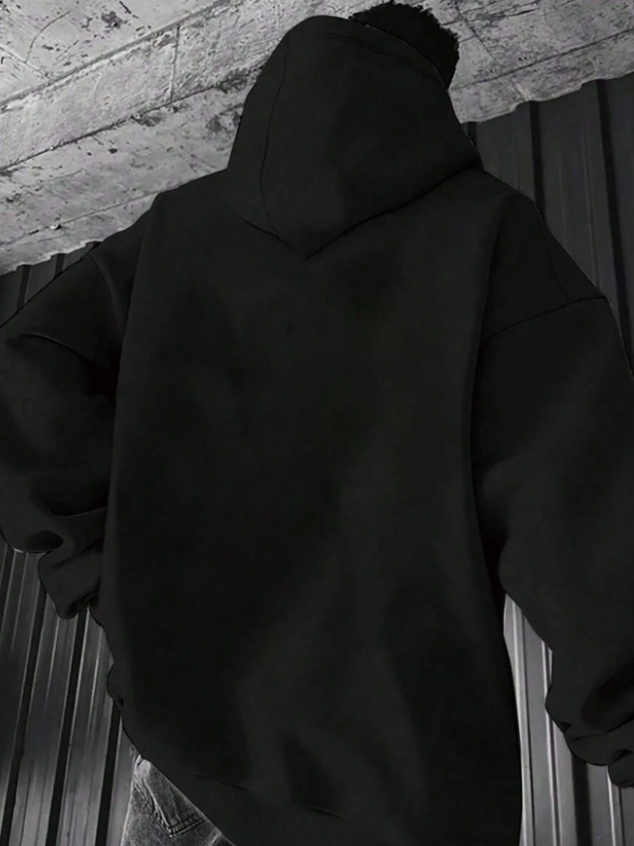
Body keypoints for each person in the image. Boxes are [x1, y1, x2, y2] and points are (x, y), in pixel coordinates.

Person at [1, 1, 634, 845]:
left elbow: (22, 366)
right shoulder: (485, 236)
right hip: (386, 791)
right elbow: (577, 498)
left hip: (185, 760)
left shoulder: (178, 230)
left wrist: (96, 567)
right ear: (427, 97)